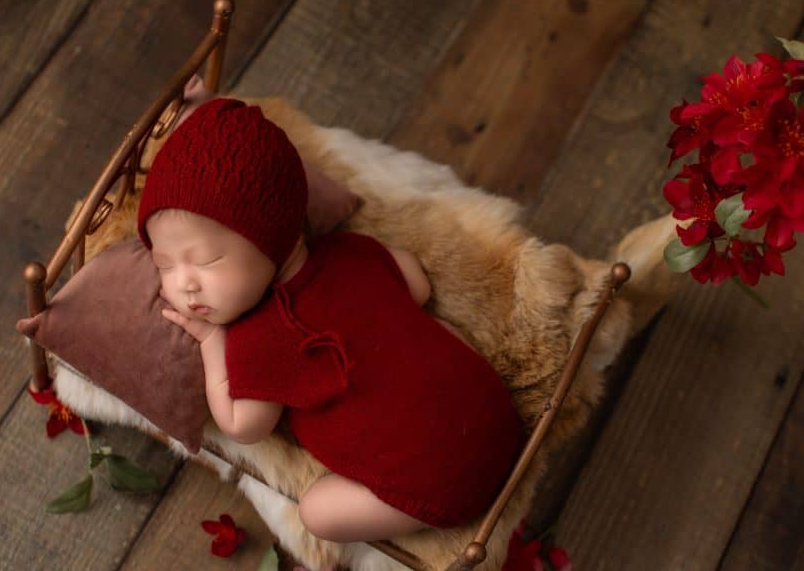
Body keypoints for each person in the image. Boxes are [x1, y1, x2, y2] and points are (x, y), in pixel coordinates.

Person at [137, 85, 525, 543]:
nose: (184, 283)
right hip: (496, 416)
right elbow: (416, 285)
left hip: (441, 488)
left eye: (206, 261)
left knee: (317, 513)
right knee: (433, 328)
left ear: (273, 238)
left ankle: (427, 504)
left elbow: (243, 426)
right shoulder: (352, 250)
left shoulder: (260, 338)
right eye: (164, 265)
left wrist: (212, 343)